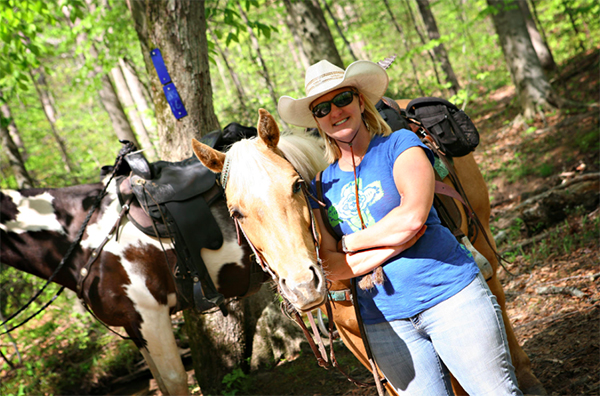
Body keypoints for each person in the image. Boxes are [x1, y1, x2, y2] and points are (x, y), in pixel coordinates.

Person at [277, 60, 522, 396]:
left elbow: (412, 219)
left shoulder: (400, 145)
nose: (335, 111)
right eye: (322, 108)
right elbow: (330, 265)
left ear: (360, 101)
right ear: (317, 120)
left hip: (450, 298)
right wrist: (394, 243)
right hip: (385, 324)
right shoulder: (320, 186)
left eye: (343, 99)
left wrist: (352, 244)